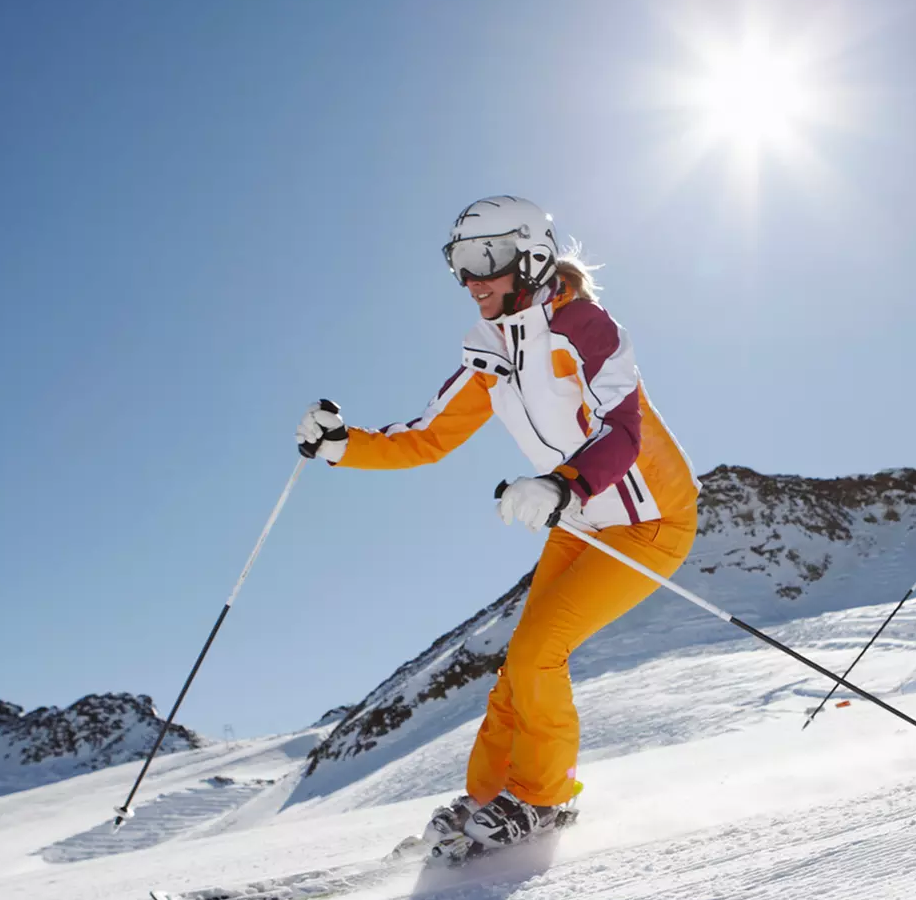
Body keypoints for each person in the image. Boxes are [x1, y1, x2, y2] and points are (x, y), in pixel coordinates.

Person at [294, 196, 700, 858]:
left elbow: (623, 433)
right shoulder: (491, 351)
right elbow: (427, 437)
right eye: (458, 263)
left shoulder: (585, 329)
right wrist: (343, 445)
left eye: (485, 258)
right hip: (579, 520)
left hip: (646, 519)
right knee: (518, 666)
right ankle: (489, 800)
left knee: (541, 648)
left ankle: (544, 801)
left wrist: (560, 483)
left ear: (532, 256)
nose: (471, 279)